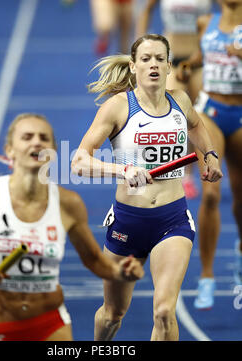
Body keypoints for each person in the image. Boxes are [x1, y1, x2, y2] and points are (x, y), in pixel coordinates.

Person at [71, 34, 222, 341]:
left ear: (169, 66)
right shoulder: (117, 108)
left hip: (173, 220)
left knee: (165, 311)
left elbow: (195, 125)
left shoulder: (179, 100)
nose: (153, 65)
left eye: (159, 59)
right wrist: (122, 170)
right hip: (129, 221)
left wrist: (209, 155)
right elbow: (78, 162)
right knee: (113, 314)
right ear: (133, 65)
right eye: (145, 59)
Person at [0, 113, 144, 341]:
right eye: (27, 137)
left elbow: (93, 260)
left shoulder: (68, 203)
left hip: (52, 325)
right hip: (1, 326)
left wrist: (120, 272)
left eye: (43, 138)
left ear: (52, 151)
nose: (36, 142)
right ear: (10, 149)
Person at [176, 0, 242, 309]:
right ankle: (207, 276)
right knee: (212, 196)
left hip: (240, 115)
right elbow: (200, 57)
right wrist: (186, 67)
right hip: (212, 113)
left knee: (240, 199)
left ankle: (240, 253)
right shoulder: (206, 22)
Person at [136, 0, 216, 199]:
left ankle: (188, 175)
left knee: (196, 120)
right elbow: (146, 9)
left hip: (198, 59)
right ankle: (168, 171)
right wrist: (140, 44)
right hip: (171, 58)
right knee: (170, 116)